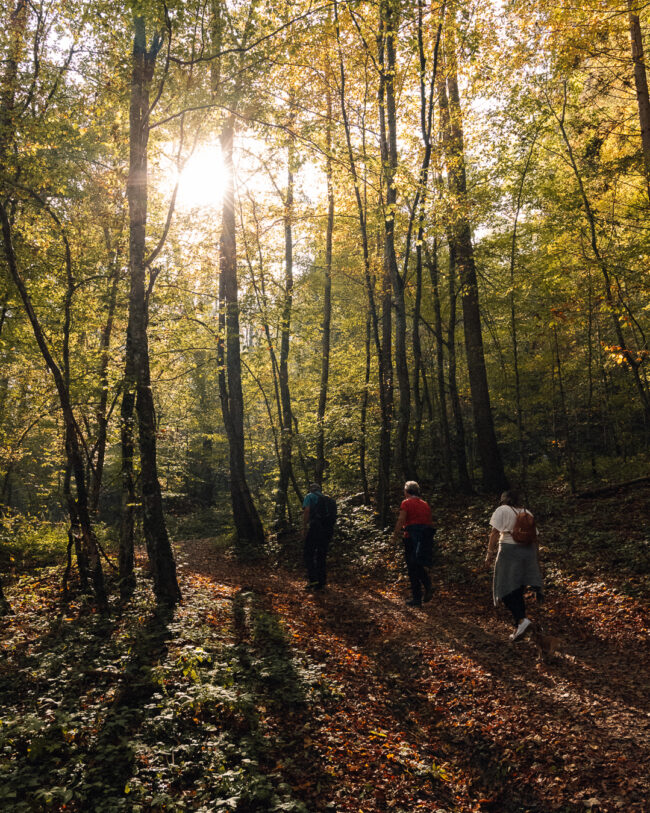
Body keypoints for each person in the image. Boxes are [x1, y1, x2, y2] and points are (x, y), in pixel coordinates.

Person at [486, 489, 543, 641]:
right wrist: (535, 558)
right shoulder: (527, 512)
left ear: (505, 499)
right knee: (518, 589)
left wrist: (489, 554)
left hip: (509, 551)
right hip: (528, 552)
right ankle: (519, 626)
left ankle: (522, 620)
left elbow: (494, 532)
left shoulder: (502, 510)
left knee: (504, 588)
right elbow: (535, 537)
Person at [392, 481, 435, 607]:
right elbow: (429, 521)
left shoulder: (406, 503)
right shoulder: (425, 504)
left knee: (412, 567)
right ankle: (426, 588)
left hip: (411, 537)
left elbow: (401, 519)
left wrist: (395, 535)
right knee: (418, 563)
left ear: (407, 491)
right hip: (425, 538)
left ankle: (419, 596)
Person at [302, 483, 336, 591]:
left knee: (308, 553)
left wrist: (304, 527)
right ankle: (321, 582)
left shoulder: (309, 496)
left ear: (311, 490)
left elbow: (307, 511)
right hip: (328, 530)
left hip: (315, 528)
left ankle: (313, 580)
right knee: (321, 555)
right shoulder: (328, 499)